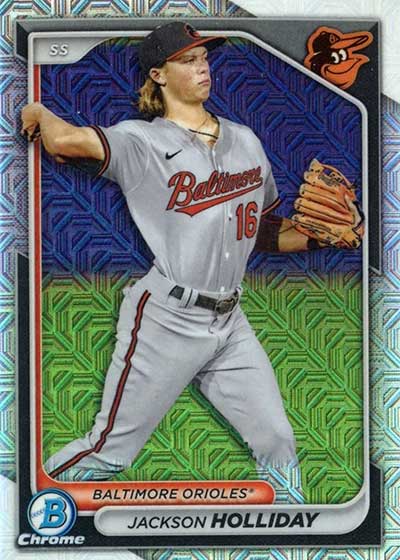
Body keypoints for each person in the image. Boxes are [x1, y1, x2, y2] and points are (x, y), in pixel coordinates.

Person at [21, 22, 344, 501]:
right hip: (166, 321)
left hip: (230, 322)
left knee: (277, 438)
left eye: (204, 58)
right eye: (188, 60)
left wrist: (321, 238)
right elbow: (65, 141)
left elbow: (264, 232)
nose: (202, 67)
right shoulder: (140, 142)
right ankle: (30, 503)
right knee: (109, 452)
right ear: (158, 74)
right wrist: (39, 111)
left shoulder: (246, 141)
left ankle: (292, 524)